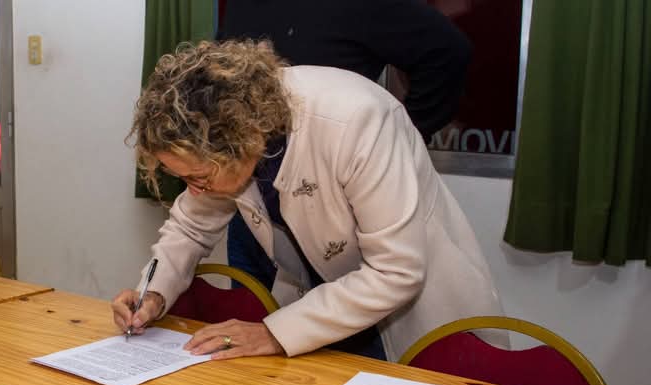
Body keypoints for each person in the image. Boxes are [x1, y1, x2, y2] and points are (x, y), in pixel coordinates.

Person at [111, 40, 506, 362]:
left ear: (244, 141)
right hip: (323, 313)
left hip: (413, 312)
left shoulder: (357, 119)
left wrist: (272, 333)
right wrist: (154, 293)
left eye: (198, 178)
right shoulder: (228, 139)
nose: (194, 191)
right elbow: (189, 226)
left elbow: (395, 271)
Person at [216, 0, 473, 292]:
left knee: (341, 309)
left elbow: (448, 52)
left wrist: (400, 135)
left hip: (331, 202)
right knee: (245, 312)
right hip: (251, 192)